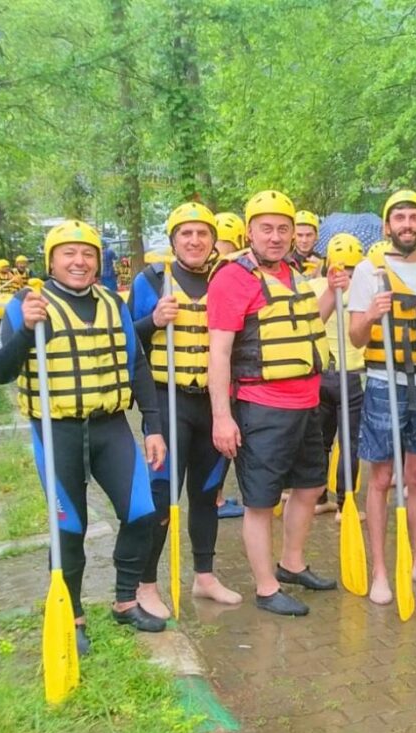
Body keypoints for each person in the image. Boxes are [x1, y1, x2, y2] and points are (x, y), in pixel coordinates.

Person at [0, 221, 169, 654]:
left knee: (143, 512)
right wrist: (26, 331)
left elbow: (137, 366)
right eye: (68, 253)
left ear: (98, 261)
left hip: (109, 427)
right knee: (70, 528)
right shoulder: (25, 305)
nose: (79, 261)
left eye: (87, 253)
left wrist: (153, 426)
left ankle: (126, 601)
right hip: (57, 431)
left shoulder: (113, 303)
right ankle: (72, 614)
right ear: (51, 260)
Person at [207, 190, 341, 617]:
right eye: (267, 228)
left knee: (309, 487)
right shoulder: (232, 277)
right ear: (249, 232)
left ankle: (292, 564)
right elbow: (220, 352)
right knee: (261, 501)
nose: (276, 236)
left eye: (284, 228)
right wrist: (222, 418)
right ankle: (266, 588)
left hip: (306, 402)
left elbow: (303, 326)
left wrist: (333, 295)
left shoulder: (293, 273)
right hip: (261, 405)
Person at [128, 202, 241, 618]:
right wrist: (153, 321)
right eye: (185, 234)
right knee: (161, 497)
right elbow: (124, 342)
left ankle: (205, 576)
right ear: (173, 239)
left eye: (202, 234)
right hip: (167, 401)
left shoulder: (226, 280)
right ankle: (145, 584)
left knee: (207, 493)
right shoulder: (150, 281)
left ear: (213, 240)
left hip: (211, 403)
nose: (194, 240)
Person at [347, 189, 416, 605]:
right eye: (399, 218)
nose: (406, 225)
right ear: (386, 226)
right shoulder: (367, 272)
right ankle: (379, 571)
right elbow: (357, 338)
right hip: (381, 382)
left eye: (414, 218)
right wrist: (371, 315)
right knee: (381, 478)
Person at [310, 233, 366, 518]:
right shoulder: (362, 289)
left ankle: (320, 497)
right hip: (353, 376)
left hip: (322, 375)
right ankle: (346, 504)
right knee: (349, 442)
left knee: (321, 441)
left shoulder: (314, 285)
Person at [210, 210, 247, 520]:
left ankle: (218, 496)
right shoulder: (233, 270)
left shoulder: (220, 268)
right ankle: (217, 498)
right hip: (229, 375)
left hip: (229, 373)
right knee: (225, 442)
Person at [294, 210, 323, 276]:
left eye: (309, 235)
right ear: (293, 236)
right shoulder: (286, 262)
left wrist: (319, 274)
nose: (304, 240)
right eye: (300, 235)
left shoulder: (323, 262)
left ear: (316, 236)